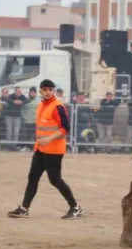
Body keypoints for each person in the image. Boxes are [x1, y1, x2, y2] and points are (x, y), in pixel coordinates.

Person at [7, 79, 83, 220]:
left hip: (54, 150)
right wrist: (42, 142)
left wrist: (49, 139)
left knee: (55, 180)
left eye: (50, 89)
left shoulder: (58, 106)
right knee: (33, 177)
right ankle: (24, 209)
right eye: (45, 89)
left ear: (54, 91)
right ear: (41, 91)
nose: (47, 92)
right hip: (41, 149)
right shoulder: (41, 105)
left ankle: (75, 207)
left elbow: (65, 129)